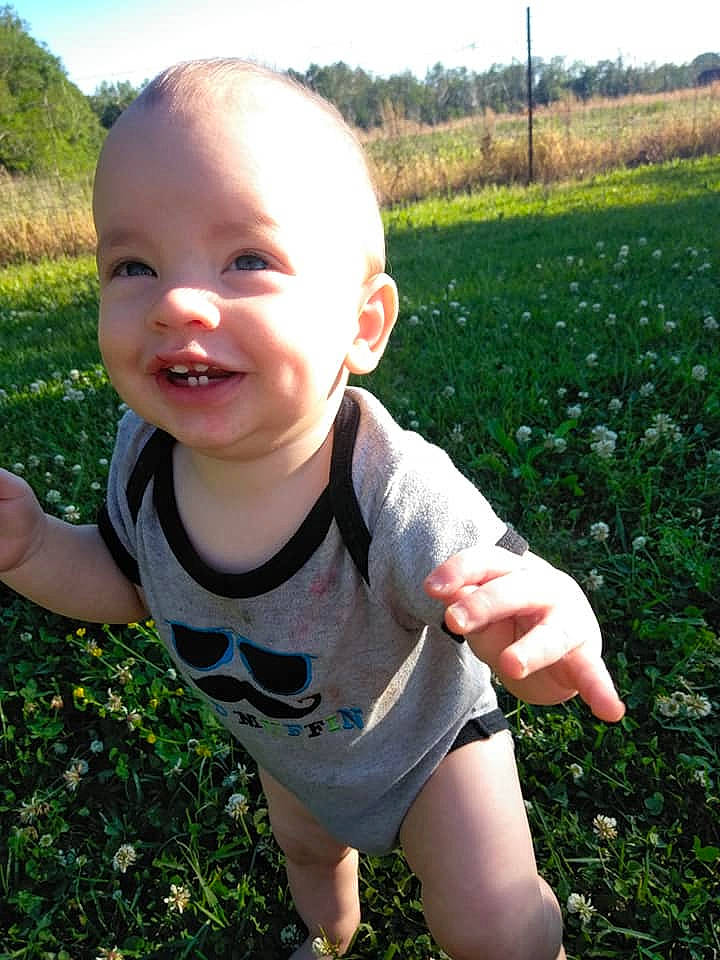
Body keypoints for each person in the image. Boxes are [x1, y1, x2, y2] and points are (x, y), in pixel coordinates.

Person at [0, 59, 624, 960]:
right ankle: (330, 937)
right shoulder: (142, 460)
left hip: (427, 750)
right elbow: (127, 579)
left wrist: (546, 636)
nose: (175, 302)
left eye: (247, 259)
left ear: (362, 327)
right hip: (291, 751)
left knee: (488, 921)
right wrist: (31, 549)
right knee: (306, 853)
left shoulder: (392, 491)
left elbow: (506, 620)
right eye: (132, 264)